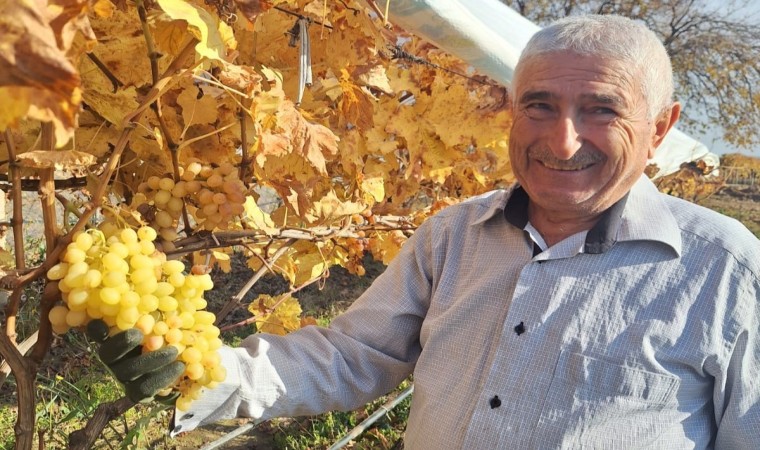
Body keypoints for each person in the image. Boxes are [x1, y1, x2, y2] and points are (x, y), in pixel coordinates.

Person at [98, 14, 760, 449]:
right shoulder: (453, 236)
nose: (563, 140)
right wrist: (206, 373)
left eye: (601, 110)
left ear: (662, 129)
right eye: (540, 105)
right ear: (509, 111)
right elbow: (356, 354)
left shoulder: (727, 273)